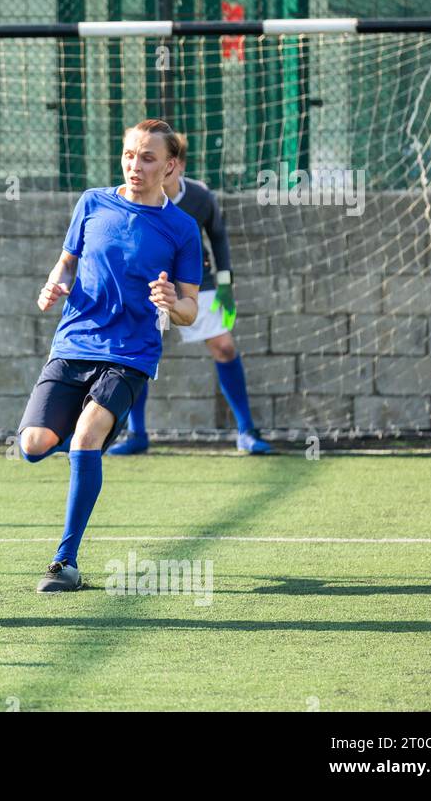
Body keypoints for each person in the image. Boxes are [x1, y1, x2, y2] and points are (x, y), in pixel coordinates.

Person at [16, 119, 202, 592]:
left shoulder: (182, 228)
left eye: (148, 158)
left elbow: (189, 307)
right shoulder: (92, 202)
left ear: (170, 166)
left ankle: (65, 562)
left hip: (132, 354)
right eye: (128, 155)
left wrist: (170, 303)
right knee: (33, 446)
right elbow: (68, 259)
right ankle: (88, 452)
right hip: (74, 343)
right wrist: (56, 282)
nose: (135, 165)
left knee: (86, 435)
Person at [108, 132, 270, 455]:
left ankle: (246, 431)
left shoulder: (199, 197)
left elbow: (219, 237)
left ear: (177, 165)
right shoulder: (132, 196)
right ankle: (136, 434)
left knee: (224, 346)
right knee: (135, 358)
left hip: (195, 281)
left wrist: (225, 285)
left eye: (165, 162)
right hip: (148, 285)